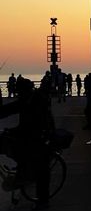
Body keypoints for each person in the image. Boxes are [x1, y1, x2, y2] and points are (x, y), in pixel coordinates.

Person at [0, 78, 54, 209]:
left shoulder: (35, 102)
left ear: (24, 91)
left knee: (39, 169)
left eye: (19, 92)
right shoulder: (30, 98)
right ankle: (21, 174)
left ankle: (41, 200)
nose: (18, 95)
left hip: (40, 140)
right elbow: (9, 110)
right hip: (38, 137)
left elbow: (29, 127)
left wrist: (13, 131)